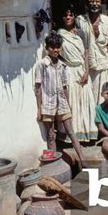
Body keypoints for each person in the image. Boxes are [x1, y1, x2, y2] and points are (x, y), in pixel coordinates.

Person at [35, 31, 87, 167]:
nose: (55, 50)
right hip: (48, 104)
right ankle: (54, 166)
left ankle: (84, 162)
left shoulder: (63, 66)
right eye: (52, 47)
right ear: (47, 48)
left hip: (62, 103)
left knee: (71, 132)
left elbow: (65, 87)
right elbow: (38, 87)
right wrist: (39, 109)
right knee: (51, 136)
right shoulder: (41, 65)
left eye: (58, 47)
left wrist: (68, 104)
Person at [58, 5, 98, 142]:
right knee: (72, 101)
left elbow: (86, 53)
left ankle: (87, 133)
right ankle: (72, 136)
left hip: (81, 70)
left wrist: (87, 71)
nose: (68, 17)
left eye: (70, 15)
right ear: (62, 18)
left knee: (85, 100)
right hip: (69, 71)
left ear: (74, 17)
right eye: (65, 15)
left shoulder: (81, 33)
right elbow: (58, 55)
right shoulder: (59, 34)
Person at [76, 0, 108, 104]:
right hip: (87, 68)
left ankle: (102, 122)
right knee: (88, 101)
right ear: (88, 2)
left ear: (101, 3)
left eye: (97, 2)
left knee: (103, 99)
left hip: (103, 66)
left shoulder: (107, 21)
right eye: (92, 1)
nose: (95, 4)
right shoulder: (80, 20)